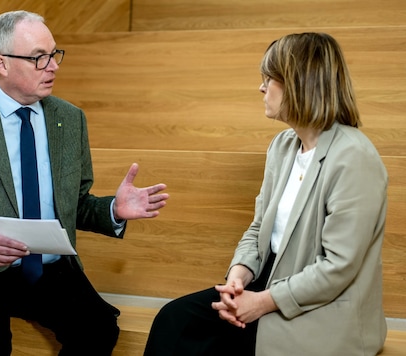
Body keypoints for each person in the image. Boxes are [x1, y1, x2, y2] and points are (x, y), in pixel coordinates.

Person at [0, 10, 169, 356]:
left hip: (49, 267)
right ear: (2, 64)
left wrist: (113, 209)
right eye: (39, 58)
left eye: (54, 54)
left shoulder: (70, 118)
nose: (53, 66)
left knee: (99, 329)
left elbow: (75, 205)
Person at [144, 32, 387, 356]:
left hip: (325, 307)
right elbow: (259, 229)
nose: (261, 87)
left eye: (269, 78)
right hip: (268, 285)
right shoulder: (282, 146)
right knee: (173, 321)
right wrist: (236, 280)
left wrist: (261, 303)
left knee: (232, 343)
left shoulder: (355, 156)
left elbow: (338, 267)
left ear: (298, 83)